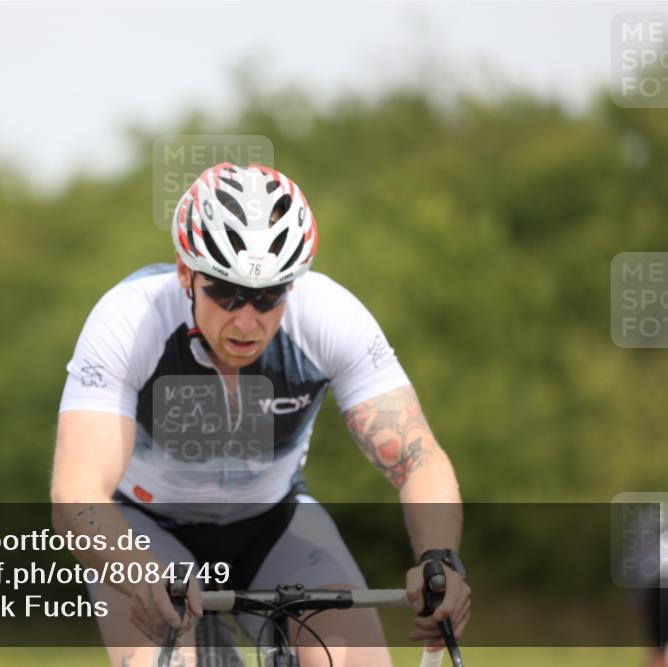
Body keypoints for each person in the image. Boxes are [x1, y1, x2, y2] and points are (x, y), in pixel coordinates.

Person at [51, 163, 470, 667]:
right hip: (146, 527)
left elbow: (416, 456)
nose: (248, 320)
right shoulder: (129, 320)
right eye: (224, 293)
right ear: (186, 272)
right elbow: (76, 496)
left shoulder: (330, 317)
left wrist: (440, 560)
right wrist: (140, 575)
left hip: (275, 520)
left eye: (269, 296)